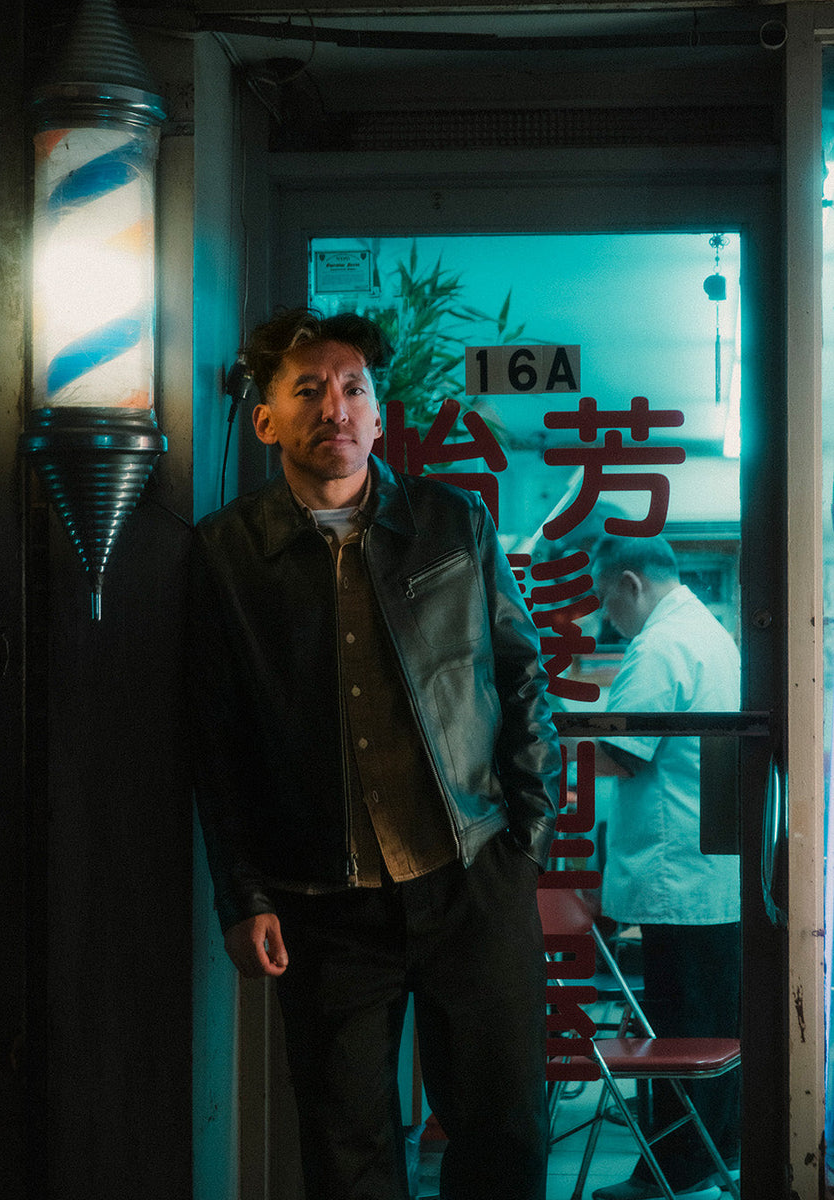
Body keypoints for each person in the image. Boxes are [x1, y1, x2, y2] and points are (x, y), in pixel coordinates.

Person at [188, 307, 562, 1200]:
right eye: (308, 391)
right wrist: (242, 894)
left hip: (470, 873)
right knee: (348, 1153)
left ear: (380, 415)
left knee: (503, 1136)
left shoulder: (452, 520)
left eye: (354, 388)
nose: (336, 408)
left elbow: (521, 680)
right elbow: (217, 737)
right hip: (322, 901)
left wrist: (527, 838)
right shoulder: (227, 554)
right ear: (266, 418)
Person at [583, 534, 741, 1200]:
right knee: (709, 1026)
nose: (604, 617)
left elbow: (626, 753)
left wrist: (573, 731)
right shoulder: (713, 634)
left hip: (678, 870)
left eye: (603, 600)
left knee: (675, 1029)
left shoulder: (656, 647)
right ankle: (708, 1159)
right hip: (710, 871)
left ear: (629, 583)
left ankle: (669, 1173)